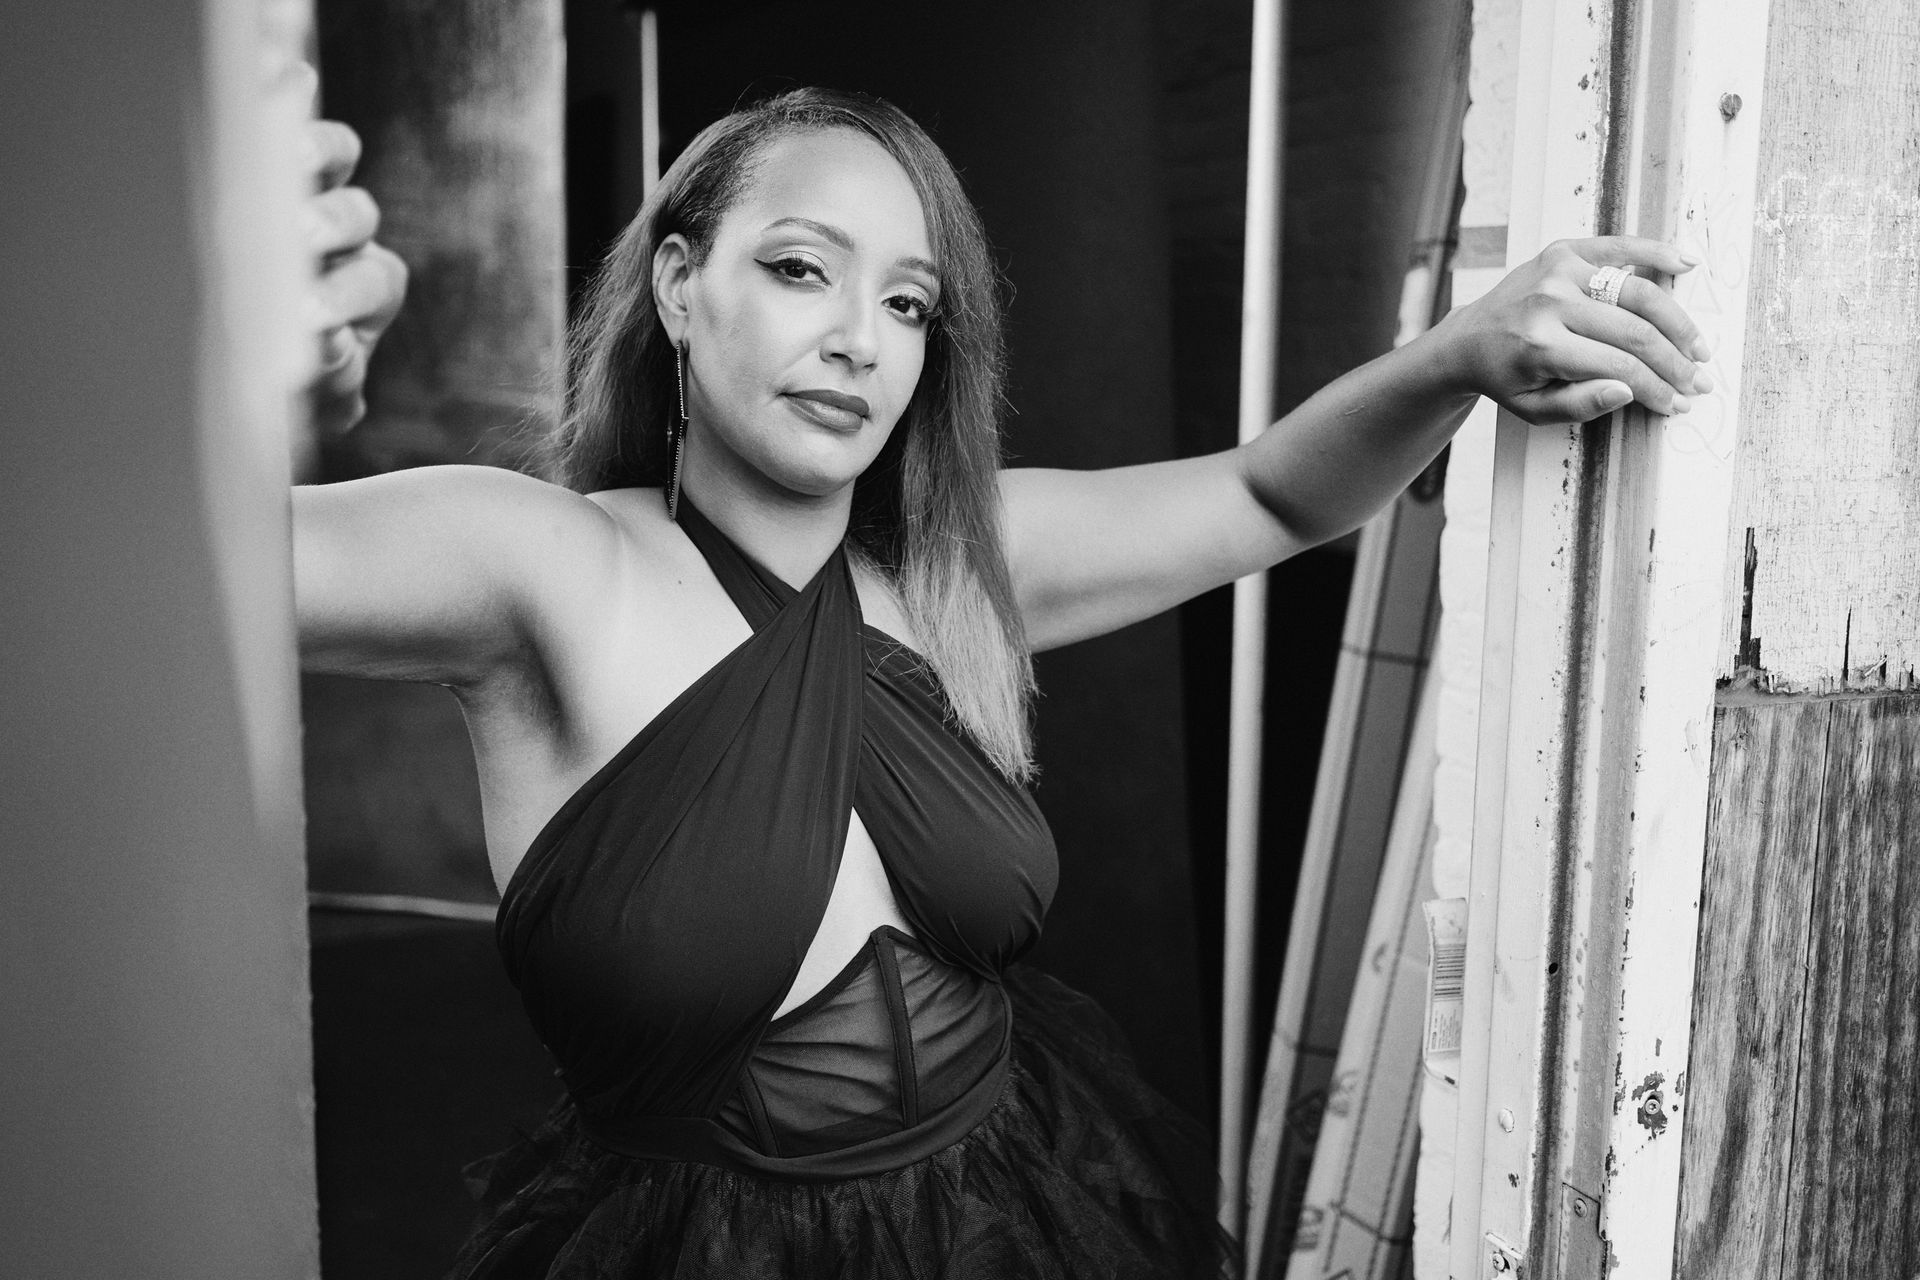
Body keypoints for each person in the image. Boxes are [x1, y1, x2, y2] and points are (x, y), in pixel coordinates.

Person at [295, 88, 1705, 1279]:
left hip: (1015, 1207)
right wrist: (248, 391)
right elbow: (197, 572)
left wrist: (1458, 355)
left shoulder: (957, 568)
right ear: (676, 283)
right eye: (799, 269)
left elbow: (1273, 498)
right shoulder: (540, 565)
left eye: (908, 303)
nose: (859, 336)